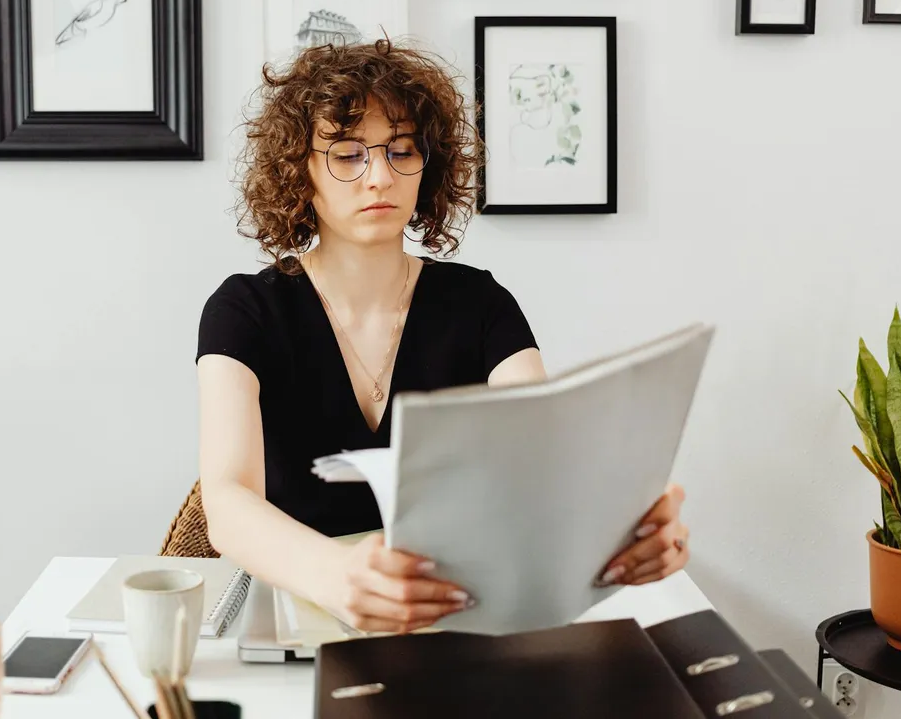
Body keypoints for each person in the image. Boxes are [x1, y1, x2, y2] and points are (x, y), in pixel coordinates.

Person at [196, 38, 690, 635]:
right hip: (302, 603)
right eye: (347, 154)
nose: (380, 176)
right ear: (298, 169)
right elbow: (227, 502)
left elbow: (545, 460)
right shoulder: (245, 310)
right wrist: (338, 577)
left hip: (459, 608)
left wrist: (625, 527)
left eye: (402, 150)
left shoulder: (479, 302)